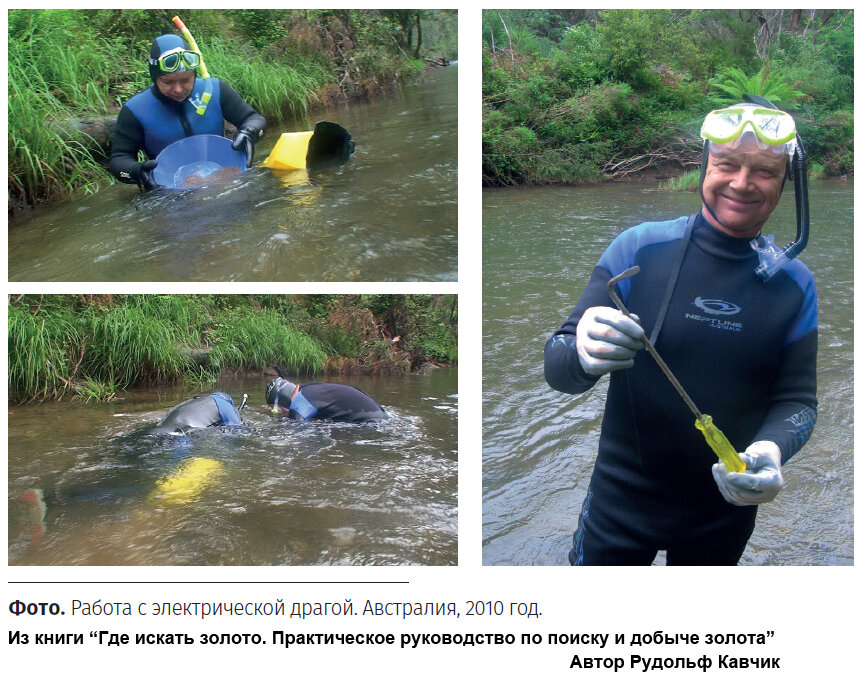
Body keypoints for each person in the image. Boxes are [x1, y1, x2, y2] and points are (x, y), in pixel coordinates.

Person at [544, 97, 818, 566]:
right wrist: (582, 353)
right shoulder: (639, 248)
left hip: (724, 512)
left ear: (786, 181)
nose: (742, 183)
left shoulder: (795, 284)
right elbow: (559, 367)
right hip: (620, 502)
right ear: (704, 166)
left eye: (765, 172)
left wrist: (771, 453)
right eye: (727, 164)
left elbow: (798, 401)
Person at [109, 33, 266, 190]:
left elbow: (253, 119)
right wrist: (137, 172)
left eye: (185, 80)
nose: (178, 89)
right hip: (170, 193)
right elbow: (119, 160)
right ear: (154, 78)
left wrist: (249, 132)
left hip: (224, 181)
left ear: (194, 74)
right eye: (167, 82)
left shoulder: (215, 90)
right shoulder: (136, 109)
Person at [266, 375, 388, 423]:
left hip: (372, 424)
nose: (279, 414)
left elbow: (297, 434)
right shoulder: (308, 389)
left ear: (283, 401)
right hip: (381, 415)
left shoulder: (300, 403)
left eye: (276, 410)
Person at [147, 391, 245, 435]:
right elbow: (236, 429)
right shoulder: (226, 405)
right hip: (184, 430)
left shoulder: (199, 400)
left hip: (162, 426)